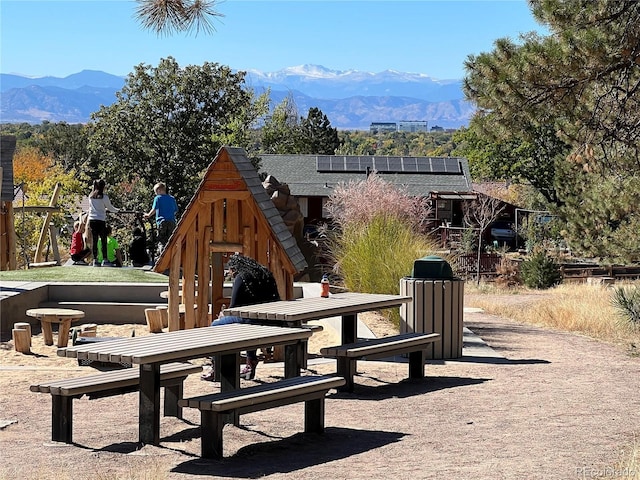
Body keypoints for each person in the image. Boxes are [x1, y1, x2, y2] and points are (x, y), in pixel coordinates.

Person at [201, 254, 281, 381]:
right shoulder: (266, 274)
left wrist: (223, 314)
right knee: (250, 327)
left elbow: (234, 307)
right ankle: (250, 361)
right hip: (271, 321)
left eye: (231, 270)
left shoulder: (242, 277)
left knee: (216, 326)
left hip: (252, 321)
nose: (230, 273)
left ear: (235, 268)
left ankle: (217, 368)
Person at [88, 179, 119, 267]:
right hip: (100, 220)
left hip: (92, 219)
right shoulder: (104, 197)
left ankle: (95, 259)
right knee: (103, 240)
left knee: (95, 240)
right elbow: (110, 207)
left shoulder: (90, 196)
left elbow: (92, 207)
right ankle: (105, 259)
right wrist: (118, 210)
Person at [143, 182, 178, 255]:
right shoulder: (172, 198)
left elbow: (154, 209)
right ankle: (172, 256)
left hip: (162, 221)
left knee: (162, 240)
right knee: (171, 240)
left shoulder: (158, 198)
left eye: (156, 192)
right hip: (172, 222)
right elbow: (175, 210)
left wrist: (148, 215)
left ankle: (163, 258)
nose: (156, 194)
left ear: (159, 190)